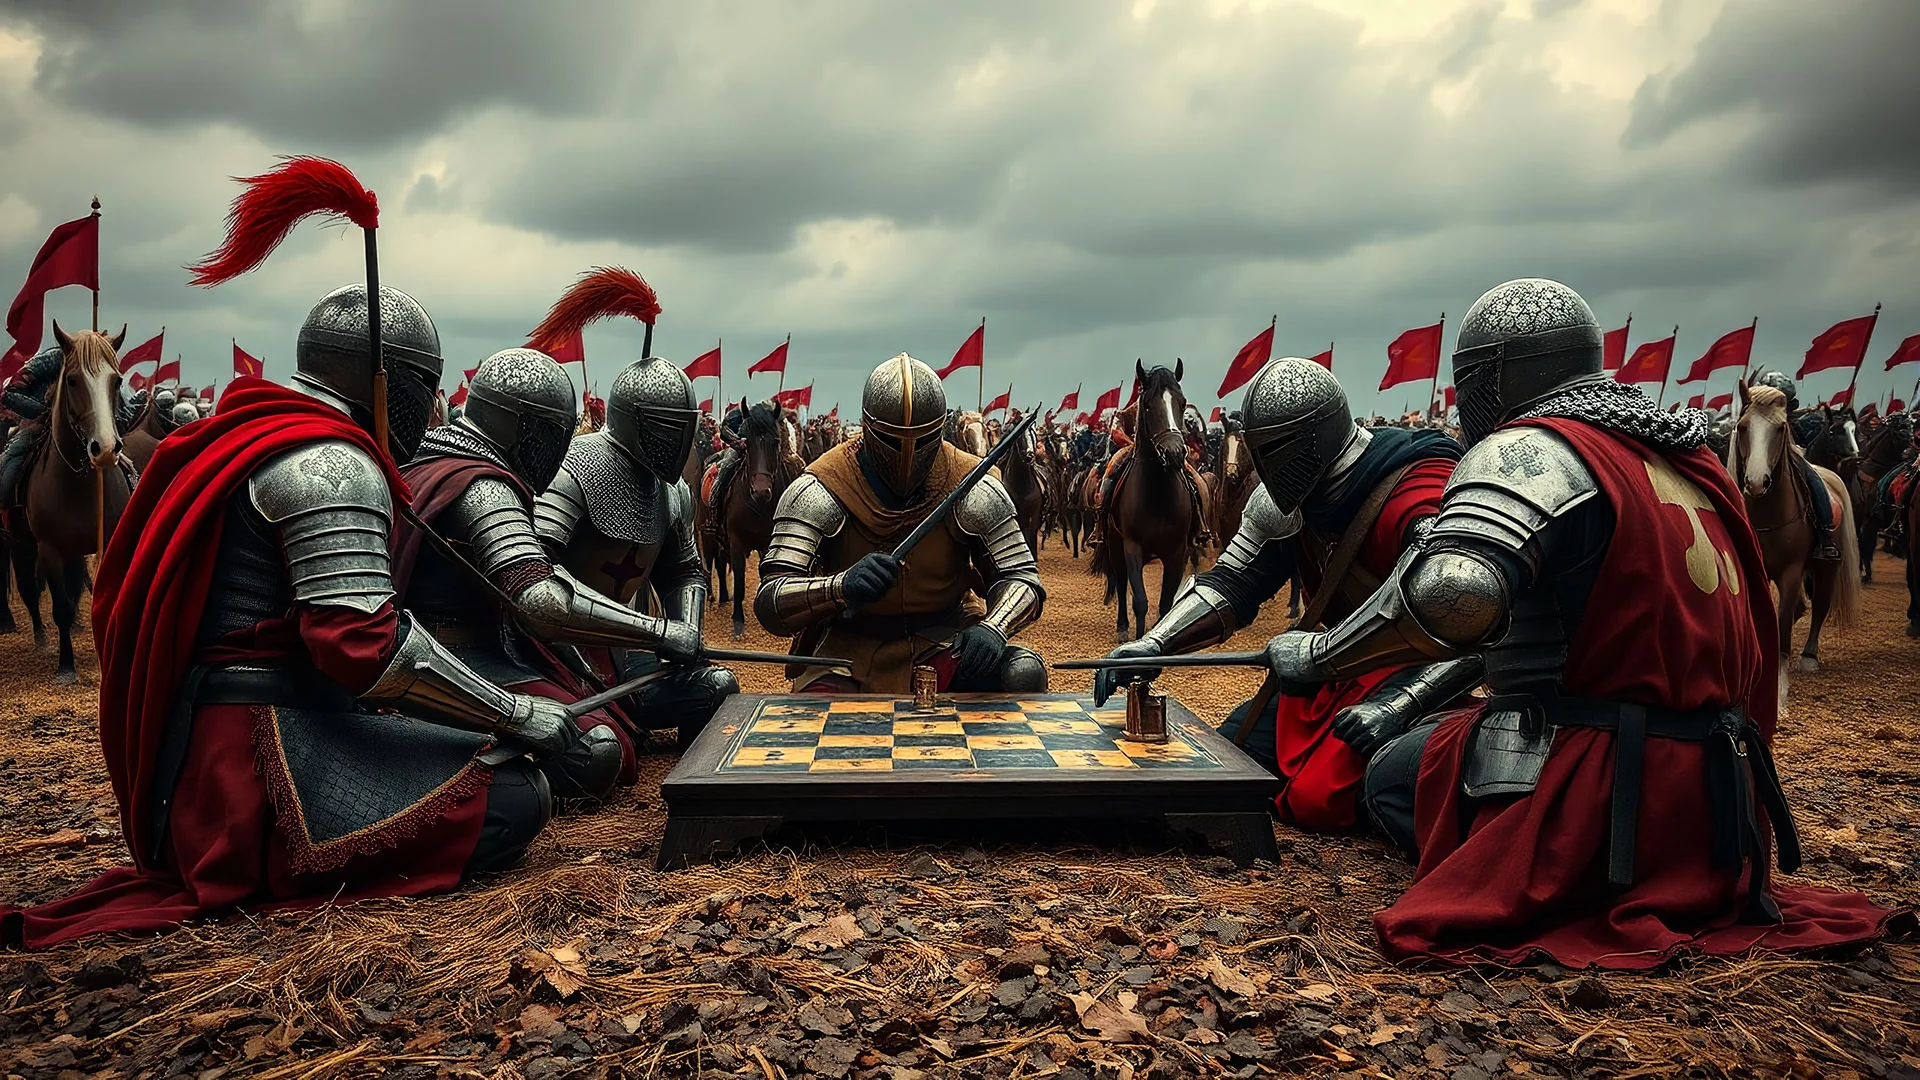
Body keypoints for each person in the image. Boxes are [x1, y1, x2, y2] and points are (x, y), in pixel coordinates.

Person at [1262, 277, 1897, 968]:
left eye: (1470, 380)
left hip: (1598, 772)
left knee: (1390, 770)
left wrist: (1322, 655)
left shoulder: (1531, 450)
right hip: (1718, 787)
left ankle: (1549, 870)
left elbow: (1456, 595)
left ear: (1498, 374)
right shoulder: (1688, 456)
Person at [1, 284, 571, 949]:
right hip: (261, 760)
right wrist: (515, 711)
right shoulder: (332, 461)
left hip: (221, 740)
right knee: (517, 793)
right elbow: (364, 644)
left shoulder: (254, 429)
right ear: (382, 377)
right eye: (425, 383)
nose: (430, 403)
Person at [1094, 358, 1470, 830]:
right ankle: (1099, 518)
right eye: (1262, 450)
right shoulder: (1282, 499)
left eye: (1281, 448)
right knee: (1233, 753)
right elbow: (1232, 582)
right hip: (1324, 675)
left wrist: (1401, 705)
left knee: (1325, 795)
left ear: (1320, 436)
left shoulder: (1414, 485)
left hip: (1409, 671)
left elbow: (1461, 610)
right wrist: (1154, 646)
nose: (1270, 465)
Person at [391, 347, 638, 799]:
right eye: (547, 435)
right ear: (519, 425)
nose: (552, 451)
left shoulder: (433, 457)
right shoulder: (484, 486)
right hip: (467, 661)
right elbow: (538, 600)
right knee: (597, 749)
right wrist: (658, 632)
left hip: (460, 652)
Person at [754, 353, 1045, 693]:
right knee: (815, 719)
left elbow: (1021, 577)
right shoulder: (822, 487)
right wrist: (840, 586)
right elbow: (771, 599)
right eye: (893, 440)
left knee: (1022, 673)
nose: (908, 455)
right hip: (848, 650)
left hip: (946, 641)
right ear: (868, 429)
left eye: (922, 440)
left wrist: (994, 627)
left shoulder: (971, 482)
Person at [533, 356, 736, 753]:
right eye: (665, 426)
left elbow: (684, 572)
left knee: (716, 686)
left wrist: (687, 631)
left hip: (624, 654)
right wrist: (658, 633)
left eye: (682, 427)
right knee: (598, 751)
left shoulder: (672, 489)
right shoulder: (572, 468)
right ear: (634, 418)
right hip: (552, 652)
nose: (674, 439)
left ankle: (691, 780)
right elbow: (536, 572)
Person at [1750, 370, 1839, 558]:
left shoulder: (1796, 420)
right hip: (1755, 459)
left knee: (1815, 482)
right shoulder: (1754, 416)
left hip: (1791, 457)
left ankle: (1825, 535)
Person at [0, 346, 62, 506]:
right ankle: (4, 506)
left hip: (80, 428)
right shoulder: (57, 357)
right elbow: (13, 390)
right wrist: (44, 413)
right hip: (38, 425)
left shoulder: (93, 370)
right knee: (16, 451)